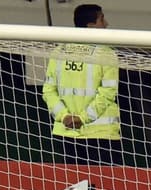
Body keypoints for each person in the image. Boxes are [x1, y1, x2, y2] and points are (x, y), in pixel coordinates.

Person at [42, 4, 121, 166]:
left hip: (66, 131)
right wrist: (82, 119)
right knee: (106, 186)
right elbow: (108, 93)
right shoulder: (106, 53)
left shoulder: (59, 51)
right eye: (102, 19)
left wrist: (64, 117)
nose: (106, 23)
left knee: (74, 186)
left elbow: (48, 91)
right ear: (90, 25)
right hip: (101, 134)